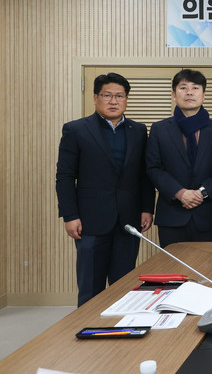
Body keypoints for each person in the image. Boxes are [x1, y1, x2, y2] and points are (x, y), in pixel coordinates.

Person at [55, 73, 154, 306]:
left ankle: (120, 326)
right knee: (90, 287)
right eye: (107, 95)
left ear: (126, 99)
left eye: (119, 96)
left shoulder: (138, 130)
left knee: (124, 287)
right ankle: (87, 326)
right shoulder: (76, 129)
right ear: (95, 97)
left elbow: (144, 175)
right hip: (90, 221)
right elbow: (65, 176)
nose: (113, 101)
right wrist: (70, 215)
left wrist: (147, 208)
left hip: (128, 220)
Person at [146, 69, 212, 248]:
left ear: (203, 95)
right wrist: (180, 193)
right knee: (172, 265)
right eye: (183, 87)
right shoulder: (160, 129)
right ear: (174, 95)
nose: (189, 92)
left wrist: (202, 193)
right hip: (172, 215)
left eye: (195, 88)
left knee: (207, 265)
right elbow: (153, 168)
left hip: (207, 216)